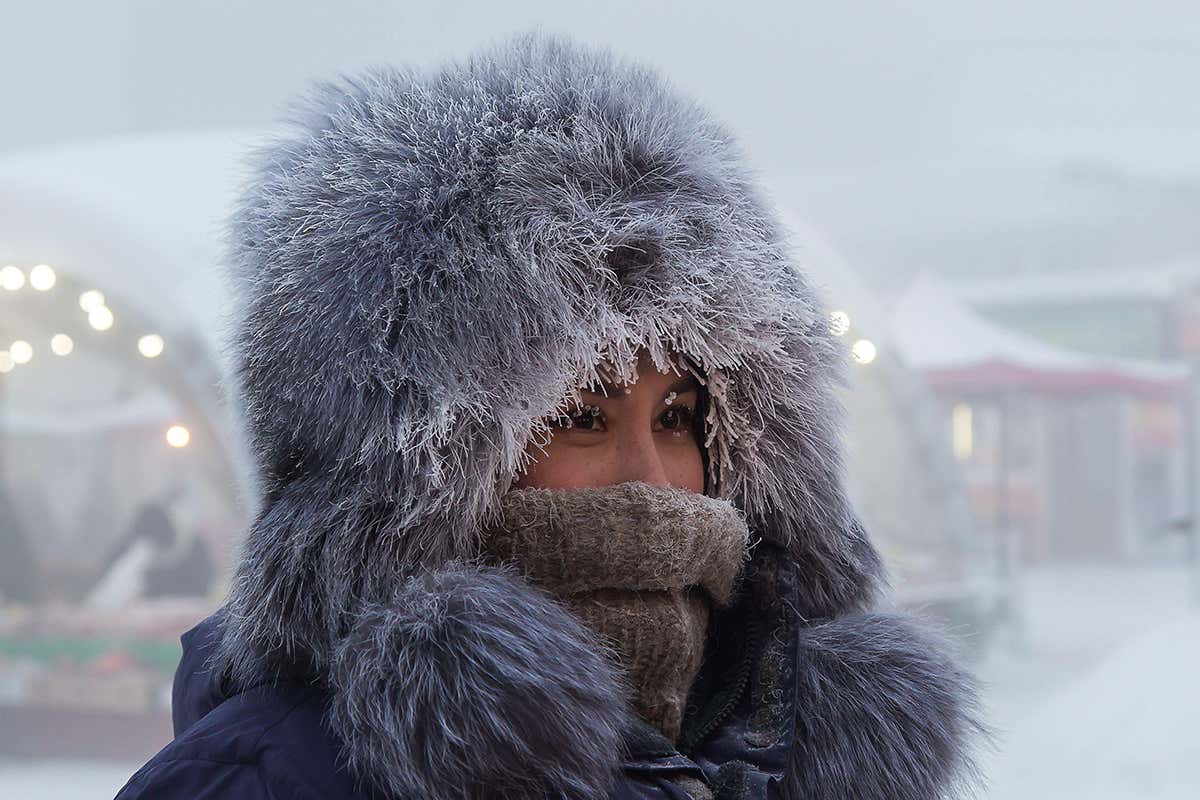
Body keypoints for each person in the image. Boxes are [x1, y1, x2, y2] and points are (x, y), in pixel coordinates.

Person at [115, 29, 993, 800]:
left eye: (680, 417)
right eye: (581, 416)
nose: (655, 482)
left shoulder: (784, 755)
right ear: (409, 477)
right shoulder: (264, 778)